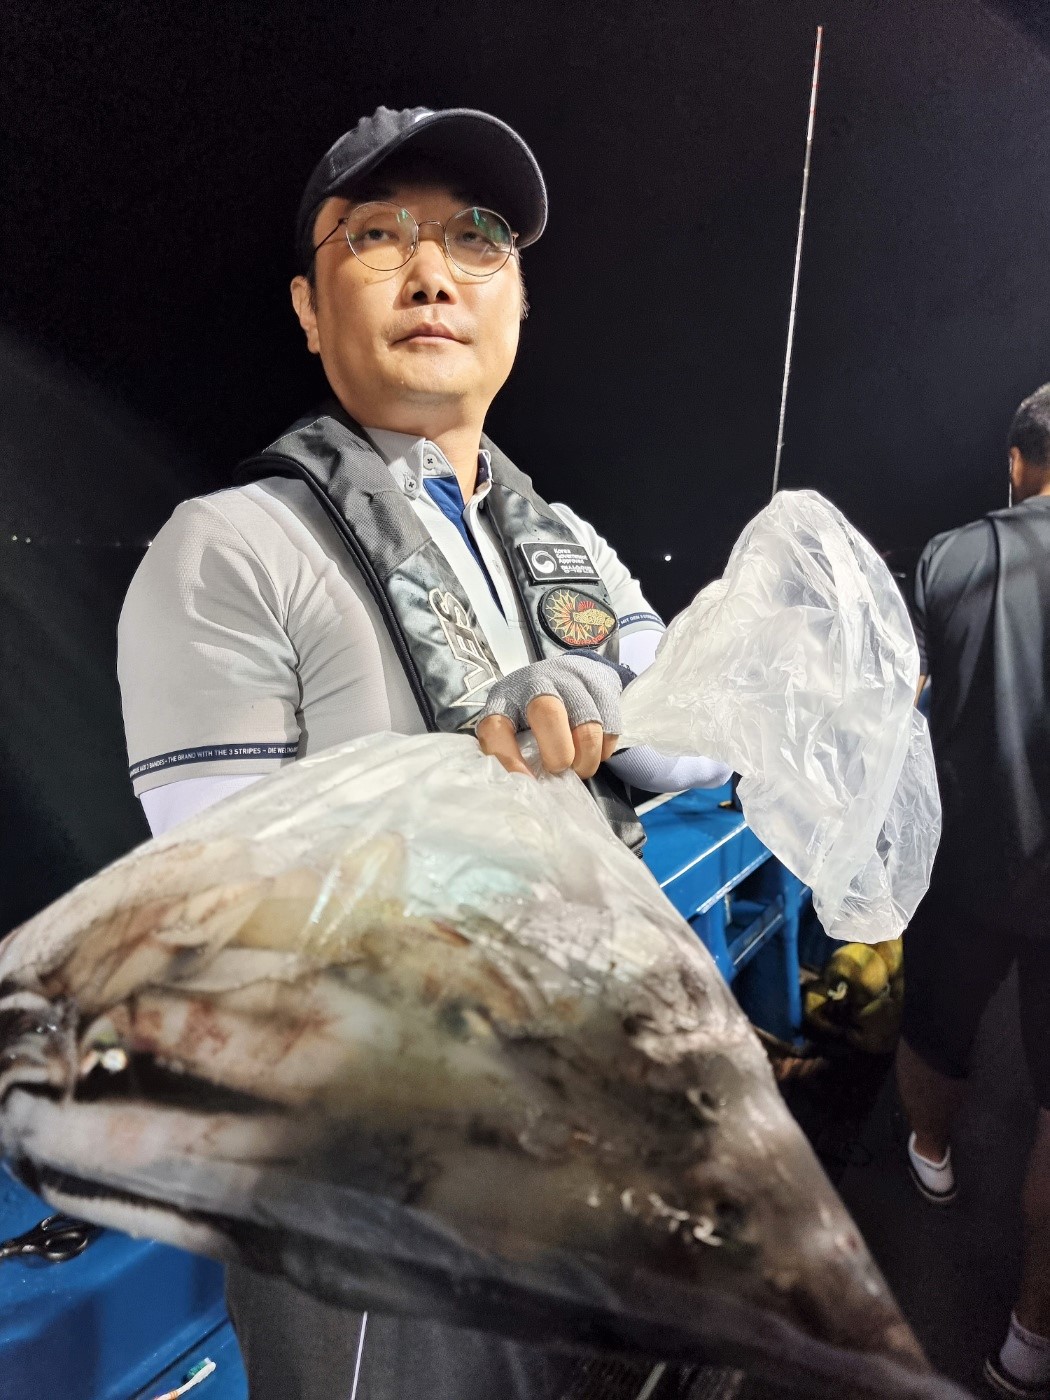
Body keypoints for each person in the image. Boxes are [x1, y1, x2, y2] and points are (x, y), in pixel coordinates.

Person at [117, 104, 729, 1400]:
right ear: (307, 306)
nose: (433, 270)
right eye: (377, 236)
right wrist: (478, 767)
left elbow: (689, 756)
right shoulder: (228, 549)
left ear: (518, 302)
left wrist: (643, 682)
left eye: (477, 237)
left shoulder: (561, 536)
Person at [895, 383, 1050, 1399]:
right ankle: (1032, 1339)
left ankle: (932, 1151)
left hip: (967, 866)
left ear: (1016, 463)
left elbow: (899, 705)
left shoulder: (953, 557)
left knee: (936, 1031)